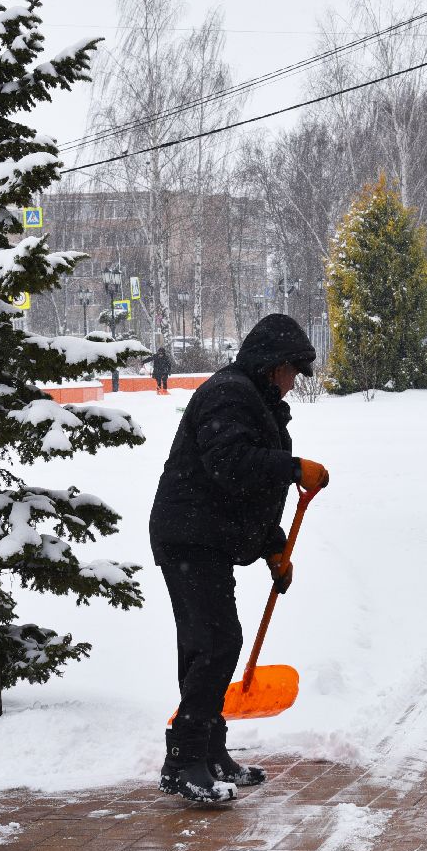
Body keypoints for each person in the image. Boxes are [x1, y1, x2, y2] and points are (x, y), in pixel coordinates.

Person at [148, 313, 329, 804]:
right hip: (189, 538)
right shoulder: (229, 394)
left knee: (207, 643)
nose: (293, 384)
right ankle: (184, 758)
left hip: (206, 538)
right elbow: (231, 466)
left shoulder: (255, 401)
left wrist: (272, 548)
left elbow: (246, 497)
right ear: (273, 365)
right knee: (216, 642)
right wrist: (292, 467)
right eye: (292, 372)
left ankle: (207, 751)